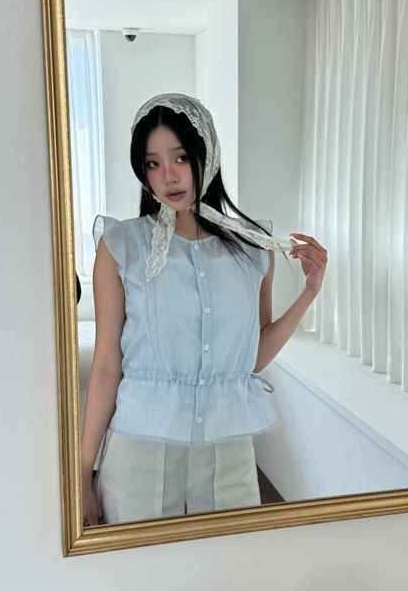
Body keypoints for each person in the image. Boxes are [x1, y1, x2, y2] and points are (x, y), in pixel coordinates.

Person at [81, 93, 327, 526]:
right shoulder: (122, 245)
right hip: (140, 452)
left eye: (180, 157)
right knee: (141, 568)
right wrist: (83, 472)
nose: (168, 176)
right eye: (153, 163)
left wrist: (309, 293)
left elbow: (251, 358)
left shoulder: (253, 248)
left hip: (226, 452)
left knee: (232, 564)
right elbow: (105, 365)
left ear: (206, 153)